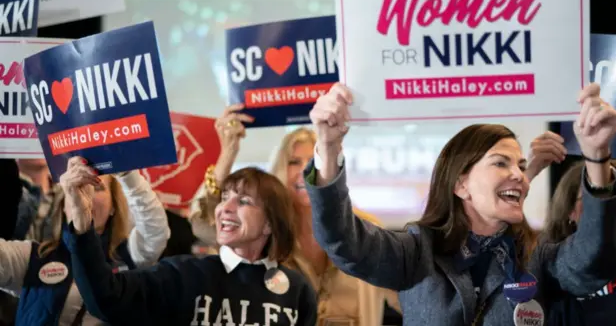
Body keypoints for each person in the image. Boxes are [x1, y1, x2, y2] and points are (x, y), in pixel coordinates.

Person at [304, 82, 616, 325]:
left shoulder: (535, 257)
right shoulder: (417, 251)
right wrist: (328, 149)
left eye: (521, 166)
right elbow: (344, 241)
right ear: (460, 184)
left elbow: (593, 262)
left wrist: (597, 157)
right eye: (501, 163)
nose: (519, 175)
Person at [191, 104, 401, 325]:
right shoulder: (262, 230)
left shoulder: (364, 230)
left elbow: (408, 292)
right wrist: (228, 152)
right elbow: (203, 226)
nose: (304, 170)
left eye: (313, 160)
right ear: (279, 169)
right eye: (294, 162)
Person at [63, 163, 317, 325]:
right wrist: (82, 227)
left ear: (270, 224)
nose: (224, 209)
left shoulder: (298, 291)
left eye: (243, 201)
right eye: (225, 197)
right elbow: (106, 299)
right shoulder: (183, 275)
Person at [0, 158, 170, 325]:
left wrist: (127, 174)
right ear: (64, 206)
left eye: (97, 187)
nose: (85, 196)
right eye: (76, 187)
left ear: (113, 206)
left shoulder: (130, 256)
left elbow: (155, 231)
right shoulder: (33, 257)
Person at [523, 131, 616, 326]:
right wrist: (527, 175)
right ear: (570, 212)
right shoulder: (549, 263)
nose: (610, 211)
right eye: (592, 201)